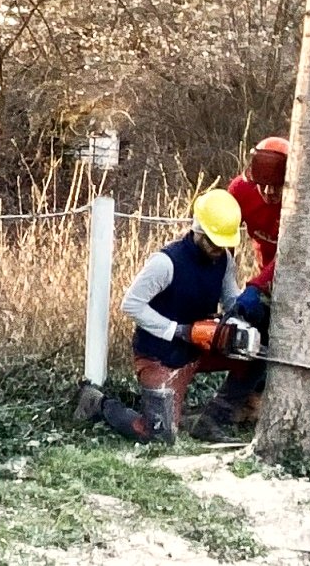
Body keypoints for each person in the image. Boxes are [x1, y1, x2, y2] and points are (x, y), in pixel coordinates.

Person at [73, 189, 265, 444]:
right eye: (212, 241)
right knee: (159, 435)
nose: (218, 248)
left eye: (223, 243)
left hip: (199, 346)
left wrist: (240, 316)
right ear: (198, 229)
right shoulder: (166, 262)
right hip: (160, 354)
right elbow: (130, 304)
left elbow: (230, 300)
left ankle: (214, 418)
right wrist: (177, 330)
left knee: (255, 356)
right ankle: (98, 404)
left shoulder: (225, 260)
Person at [227, 136, 289, 330]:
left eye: (277, 186)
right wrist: (223, 284)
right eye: (263, 184)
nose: (269, 192)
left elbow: (291, 254)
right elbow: (224, 240)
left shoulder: (298, 203)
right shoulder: (240, 191)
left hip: (293, 274)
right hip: (264, 271)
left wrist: (256, 286)